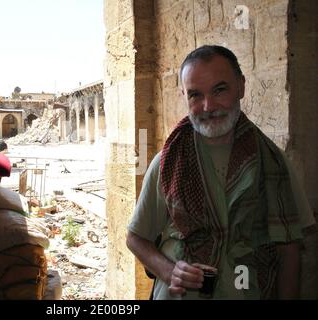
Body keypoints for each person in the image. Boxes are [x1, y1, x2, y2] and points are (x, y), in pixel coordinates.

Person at [126, 45, 316, 300]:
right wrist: (171, 271)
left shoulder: (273, 163)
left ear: (241, 86)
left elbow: (289, 250)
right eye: (195, 95)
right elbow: (136, 238)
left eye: (219, 90)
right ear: (184, 96)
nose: (208, 106)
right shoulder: (168, 162)